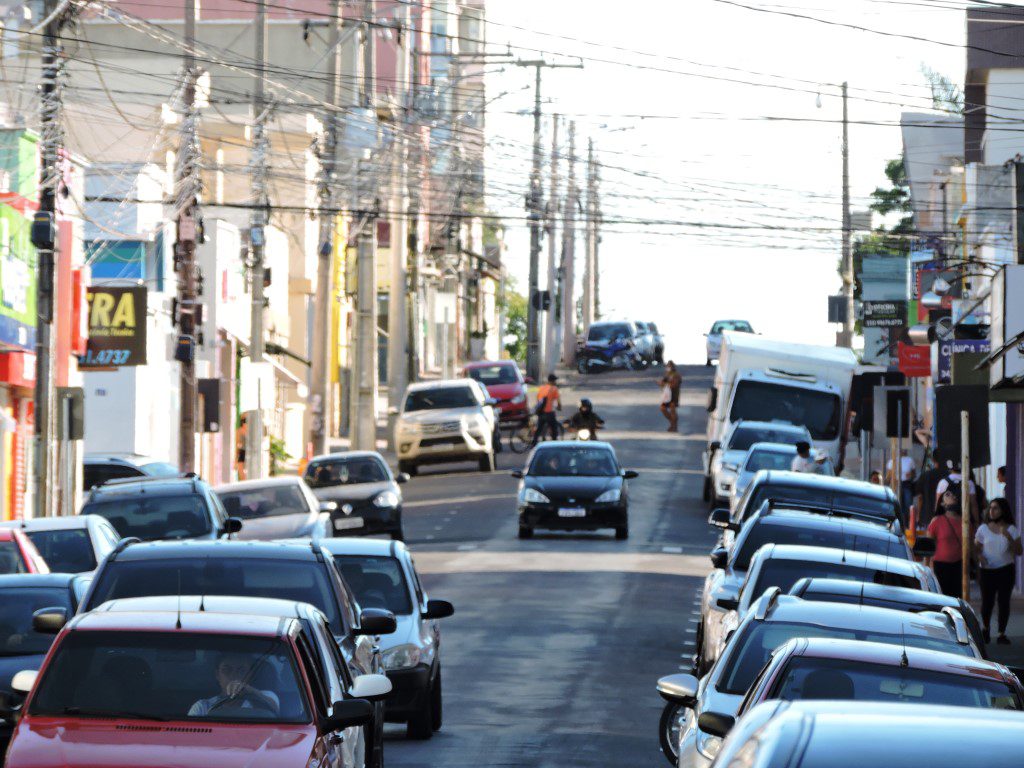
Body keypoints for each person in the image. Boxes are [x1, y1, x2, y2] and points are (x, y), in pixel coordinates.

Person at [975, 498, 1022, 645]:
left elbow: (1019, 551)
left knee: (1003, 602)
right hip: (987, 571)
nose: (992, 511)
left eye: (995, 508)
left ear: (1003, 510)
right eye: (990, 508)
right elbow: (976, 548)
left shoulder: (1012, 530)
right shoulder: (983, 529)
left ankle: (1002, 633)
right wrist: (979, 556)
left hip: (1006, 570)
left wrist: (1008, 537)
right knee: (987, 602)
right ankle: (986, 628)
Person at [189, 653, 280, 717]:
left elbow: (273, 709)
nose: (234, 676)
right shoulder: (203, 707)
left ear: (249, 675)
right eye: (226, 670)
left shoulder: (264, 696)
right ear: (217, 675)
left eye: (241, 671)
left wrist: (248, 691)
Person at [927, 489, 971, 598]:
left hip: (960, 564)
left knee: (957, 597)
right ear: (942, 503)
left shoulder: (965, 522)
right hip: (940, 566)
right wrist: (927, 568)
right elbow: (928, 547)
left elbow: (971, 545)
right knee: (942, 596)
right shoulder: (936, 521)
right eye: (947, 495)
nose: (953, 496)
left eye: (954, 494)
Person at [913, 450, 946, 528]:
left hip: (926, 516)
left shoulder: (925, 475)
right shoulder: (948, 476)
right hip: (944, 518)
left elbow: (920, 497)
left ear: (932, 460)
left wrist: (918, 515)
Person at [532, 374, 562, 445]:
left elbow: (538, 399)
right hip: (549, 412)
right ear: (553, 381)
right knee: (554, 428)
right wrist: (559, 407)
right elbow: (558, 402)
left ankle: (534, 443)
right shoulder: (554, 388)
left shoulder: (541, 388)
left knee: (539, 429)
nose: (555, 382)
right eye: (555, 381)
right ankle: (554, 443)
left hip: (541, 412)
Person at [886, 449, 916, 516]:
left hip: (906, 484)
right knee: (896, 504)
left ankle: (906, 522)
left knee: (907, 504)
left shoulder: (910, 460)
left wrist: (911, 475)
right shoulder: (892, 461)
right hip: (895, 484)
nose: (903, 450)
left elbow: (914, 474)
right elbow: (888, 476)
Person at [659, 361, 682, 433]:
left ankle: (674, 426)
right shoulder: (667, 374)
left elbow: (674, 384)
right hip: (666, 396)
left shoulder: (676, 375)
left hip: (673, 395)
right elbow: (662, 383)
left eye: (670, 366)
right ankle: (672, 423)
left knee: (672, 410)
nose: (668, 368)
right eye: (667, 366)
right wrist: (662, 383)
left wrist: (666, 384)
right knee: (663, 408)